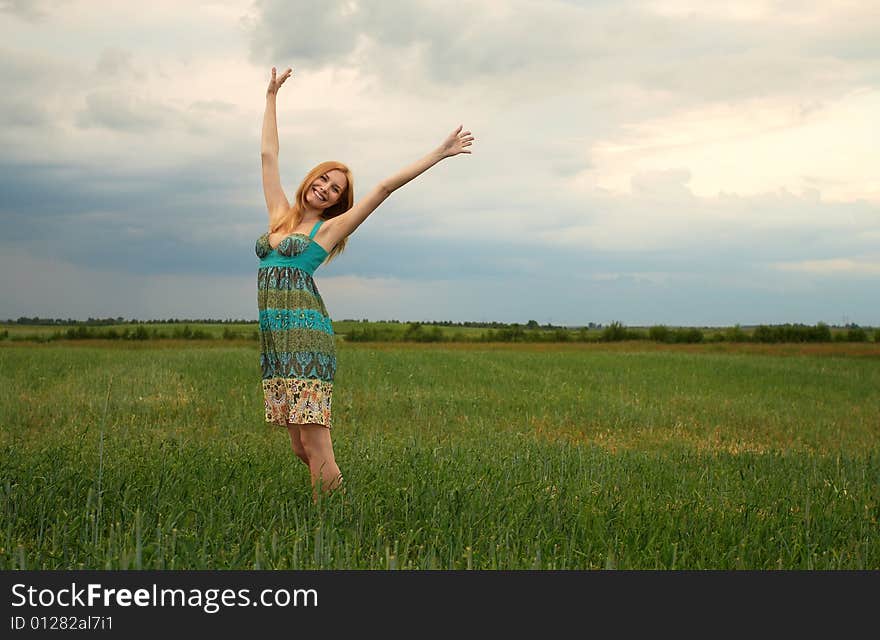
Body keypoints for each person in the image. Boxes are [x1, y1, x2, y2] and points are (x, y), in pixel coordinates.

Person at [256, 66, 474, 500]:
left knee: (316, 444)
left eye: (334, 189)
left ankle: (329, 524)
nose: (324, 188)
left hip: (306, 340)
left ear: (339, 202)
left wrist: (439, 153)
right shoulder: (280, 215)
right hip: (275, 341)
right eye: (322, 179)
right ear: (310, 181)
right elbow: (268, 156)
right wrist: (271, 97)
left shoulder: (327, 232)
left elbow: (383, 188)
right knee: (300, 444)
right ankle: (337, 495)